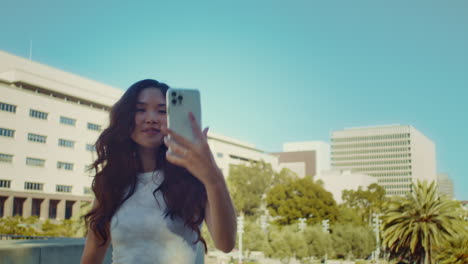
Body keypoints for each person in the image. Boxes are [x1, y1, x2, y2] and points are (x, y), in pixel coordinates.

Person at [80, 79, 237, 264]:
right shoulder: (111, 181)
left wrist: (214, 179)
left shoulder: (193, 178)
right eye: (140, 109)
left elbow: (225, 244)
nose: (151, 118)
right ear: (126, 116)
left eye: (162, 111)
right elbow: (91, 257)